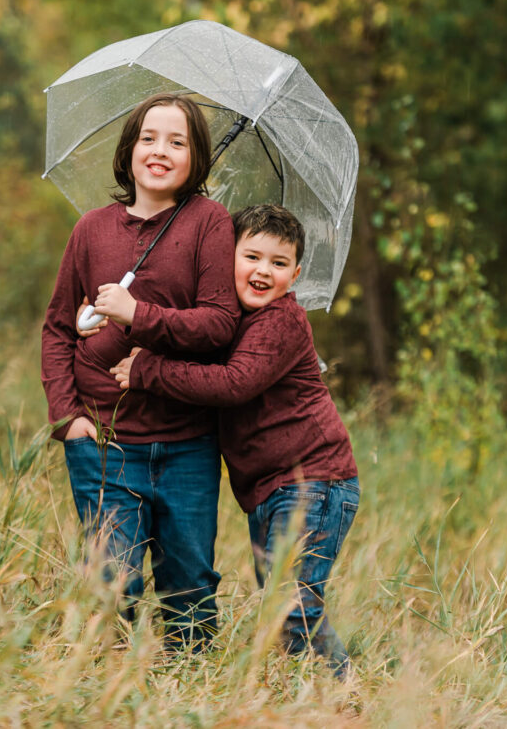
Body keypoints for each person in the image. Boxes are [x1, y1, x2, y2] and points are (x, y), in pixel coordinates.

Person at [110, 204, 359, 675]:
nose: (264, 271)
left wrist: (149, 369)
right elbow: (199, 346)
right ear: (228, 258)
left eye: (279, 263)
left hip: (314, 480)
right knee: (286, 602)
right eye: (252, 257)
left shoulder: (281, 320)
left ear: (296, 275)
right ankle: (313, 694)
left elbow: (232, 383)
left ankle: (343, 695)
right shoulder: (232, 323)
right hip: (271, 490)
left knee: (292, 604)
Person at [41, 92, 241, 650]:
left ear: (196, 158)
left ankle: (190, 690)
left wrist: (139, 315)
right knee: (113, 583)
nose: (160, 151)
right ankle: (111, 693)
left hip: (187, 444)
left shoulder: (208, 222)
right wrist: (67, 418)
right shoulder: (91, 230)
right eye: (149, 138)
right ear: (129, 150)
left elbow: (220, 323)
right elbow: (58, 329)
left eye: (177, 142)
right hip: (104, 441)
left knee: (190, 586)